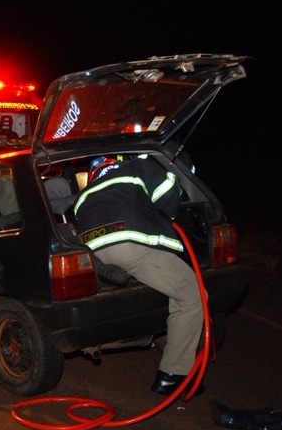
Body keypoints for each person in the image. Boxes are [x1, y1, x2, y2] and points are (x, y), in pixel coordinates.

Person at [73, 155, 204, 396]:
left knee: (164, 282)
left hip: (99, 254)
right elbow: (165, 192)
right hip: (130, 244)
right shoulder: (134, 166)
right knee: (192, 295)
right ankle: (174, 375)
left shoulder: (85, 194)